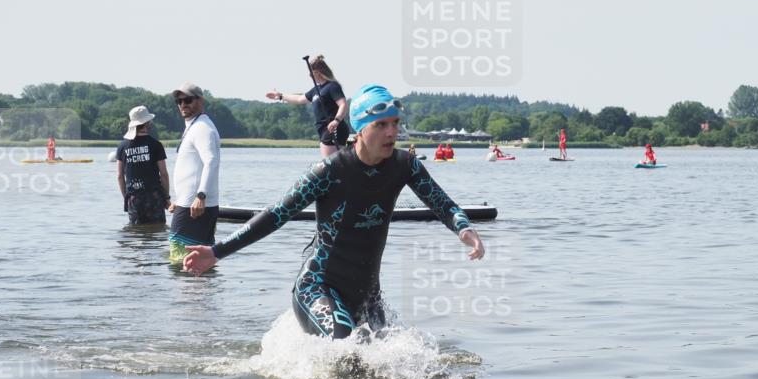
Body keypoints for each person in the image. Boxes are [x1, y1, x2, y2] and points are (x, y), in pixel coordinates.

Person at [183, 85, 485, 339]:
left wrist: (464, 229)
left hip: (367, 296)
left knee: (398, 359)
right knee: (349, 349)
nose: (392, 132)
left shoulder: (405, 165)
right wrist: (217, 251)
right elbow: (276, 214)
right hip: (318, 288)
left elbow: (441, 202)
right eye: (381, 125)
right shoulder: (329, 171)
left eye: (395, 123)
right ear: (359, 129)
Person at [168, 82, 221, 262]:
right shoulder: (195, 125)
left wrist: (201, 196)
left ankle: (185, 290)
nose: (183, 104)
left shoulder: (202, 128)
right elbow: (193, 168)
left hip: (195, 207)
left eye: (188, 100)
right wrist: (180, 199)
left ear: (200, 100)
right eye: (179, 101)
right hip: (190, 203)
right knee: (199, 261)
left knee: (180, 259)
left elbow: (211, 161)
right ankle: (204, 290)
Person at [266, 55, 349, 157]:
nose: (309, 76)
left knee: (332, 165)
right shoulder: (316, 90)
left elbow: (343, 104)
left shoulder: (332, 86)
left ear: (318, 72)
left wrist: (336, 120)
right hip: (323, 130)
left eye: (311, 73)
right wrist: (280, 96)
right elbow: (299, 99)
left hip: (334, 129)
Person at [116, 105, 170, 225]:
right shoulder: (156, 145)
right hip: (155, 196)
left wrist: (127, 197)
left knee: (135, 234)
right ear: (147, 123)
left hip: (134, 197)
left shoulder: (122, 146)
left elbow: (120, 176)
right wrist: (166, 198)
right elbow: (164, 174)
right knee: (157, 233)